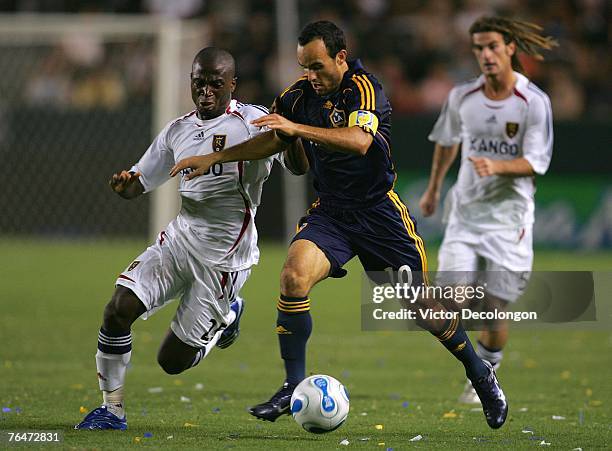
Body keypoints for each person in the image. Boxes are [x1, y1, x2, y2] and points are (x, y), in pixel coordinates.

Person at [171, 21, 508, 429]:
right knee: (293, 278)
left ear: (340, 58)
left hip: (379, 215)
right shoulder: (298, 95)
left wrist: (296, 129)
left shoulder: (364, 89)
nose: (310, 76)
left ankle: (478, 371)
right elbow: (273, 139)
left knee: (421, 307)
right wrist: (214, 159)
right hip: (331, 212)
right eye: (304, 67)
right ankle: (292, 386)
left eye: (317, 66)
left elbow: (359, 140)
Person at [75, 47, 304, 430]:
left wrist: (293, 134)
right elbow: (140, 183)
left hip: (223, 260)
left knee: (172, 362)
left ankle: (228, 315)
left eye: (216, 83)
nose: (207, 92)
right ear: (191, 83)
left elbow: (295, 164)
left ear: (233, 84)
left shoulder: (254, 121)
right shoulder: (177, 130)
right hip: (179, 240)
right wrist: (125, 185)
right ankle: (111, 410)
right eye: (200, 83)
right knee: (117, 309)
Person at [419, 17, 556, 404]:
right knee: (449, 299)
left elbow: (537, 161)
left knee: (495, 308)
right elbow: (446, 143)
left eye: (493, 46)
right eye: (479, 48)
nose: (485, 55)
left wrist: (497, 166)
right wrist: (432, 189)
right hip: (465, 215)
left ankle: (487, 373)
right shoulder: (463, 97)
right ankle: (478, 367)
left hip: (509, 221)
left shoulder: (533, 102)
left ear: (510, 47)